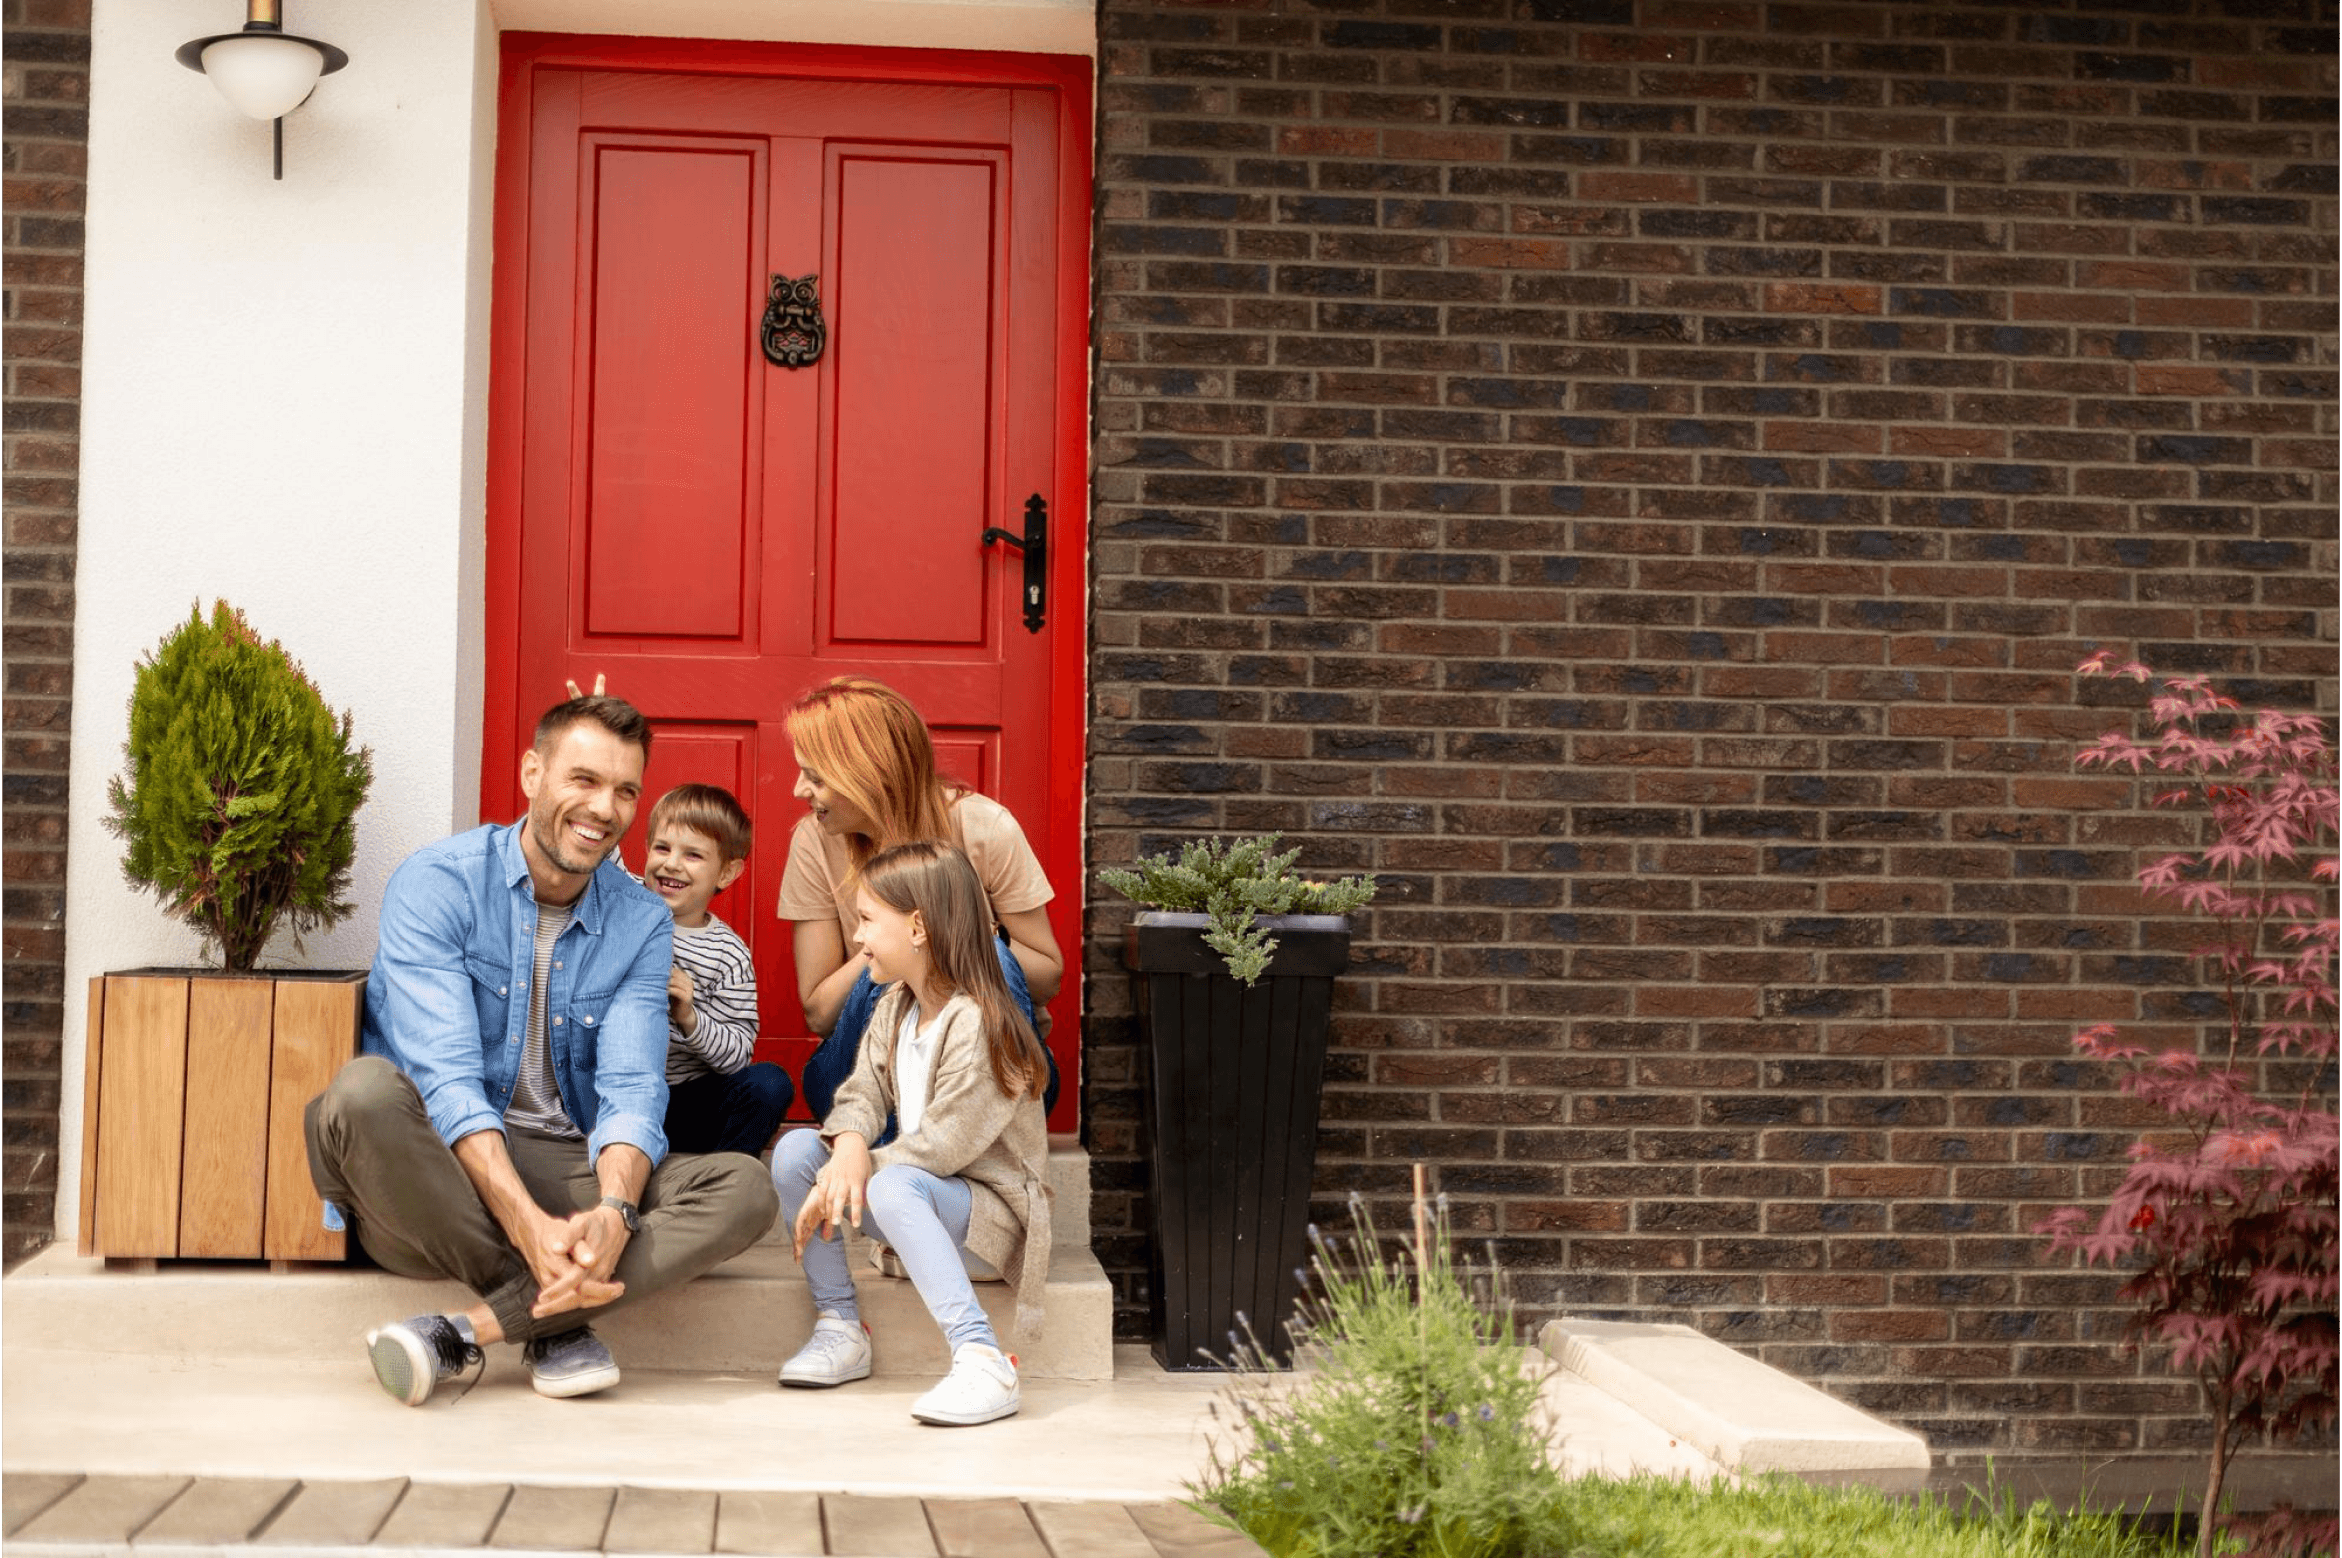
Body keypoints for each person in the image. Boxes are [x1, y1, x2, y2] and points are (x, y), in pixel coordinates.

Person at [303, 694, 778, 1408]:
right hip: (431, 1171)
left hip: (557, 1155)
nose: (604, 809)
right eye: (582, 780)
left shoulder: (641, 919)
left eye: (624, 791)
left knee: (745, 1188)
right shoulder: (439, 883)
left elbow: (631, 1086)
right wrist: (531, 1232)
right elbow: (448, 1083)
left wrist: (615, 1211)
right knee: (363, 1092)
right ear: (532, 773)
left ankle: (463, 1331)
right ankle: (557, 1327)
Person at [771, 840, 1052, 1425]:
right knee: (798, 1151)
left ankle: (983, 1359)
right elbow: (860, 1095)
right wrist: (847, 1146)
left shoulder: (981, 1021)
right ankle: (841, 1325)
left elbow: (942, 1147)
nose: (858, 938)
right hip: (924, 1206)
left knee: (893, 1183)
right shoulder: (896, 1006)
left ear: (918, 926)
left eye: (868, 920)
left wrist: (853, 1173)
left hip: (988, 1221)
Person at [778, 677, 1063, 1124]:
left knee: (991, 951)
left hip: (991, 1071)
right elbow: (819, 1012)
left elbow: (1046, 978)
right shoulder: (815, 842)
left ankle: (927, 1158)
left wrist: (961, 933)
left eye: (815, 776)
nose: (799, 790)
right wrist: (893, 937)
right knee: (894, 964)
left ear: (868, 770)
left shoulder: (983, 827)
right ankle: (926, 1162)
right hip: (858, 1073)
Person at [641, 783, 794, 1156]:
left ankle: (726, 1178)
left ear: (726, 873)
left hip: (684, 1104)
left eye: (693, 855)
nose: (671, 863)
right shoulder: (622, 904)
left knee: (769, 1083)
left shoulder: (728, 954)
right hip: (615, 1091)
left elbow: (737, 1055)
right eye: (662, 847)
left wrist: (690, 1018)